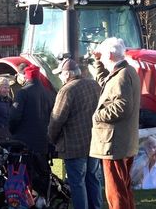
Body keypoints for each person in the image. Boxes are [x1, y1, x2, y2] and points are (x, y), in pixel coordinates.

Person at [89, 37, 140, 209]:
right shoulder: (126, 71)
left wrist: (98, 115)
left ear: (110, 55)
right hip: (122, 142)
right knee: (124, 190)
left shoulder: (122, 76)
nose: (101, 58)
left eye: (103, 56)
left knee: (116, 193)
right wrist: (97, 62)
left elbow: (122, 106)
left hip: (114, 144)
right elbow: (105, 84)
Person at [48, 58, 102, 209]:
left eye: (60, 74)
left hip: (74, 144)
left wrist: (52, 138)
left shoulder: (67, 90)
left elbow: (56, 119)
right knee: (93, 179)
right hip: (95, 141)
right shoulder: (94, 85)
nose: (59, 77)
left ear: (67, 74)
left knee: (77, 183)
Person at [9, 64, 54, 200]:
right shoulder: (48, 93)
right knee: (42, 171)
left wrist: (11, 131)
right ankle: (43, 198)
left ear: (26, 77)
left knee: (27, 174)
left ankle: (28, 200)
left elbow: (15, 117)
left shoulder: (23, 92)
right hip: (43, 140)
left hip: (24, 141)